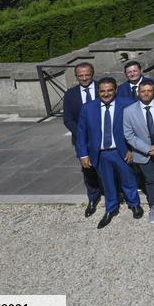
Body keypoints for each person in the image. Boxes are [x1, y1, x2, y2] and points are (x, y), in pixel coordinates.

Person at [75, 77, 143, 228]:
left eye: (109, 90)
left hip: (122, 151)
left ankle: (134, 204)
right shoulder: (88, 108)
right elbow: (81, 133)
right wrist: (83, 155)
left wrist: (133, 149)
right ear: (98, 91)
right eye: (102, 91)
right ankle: (111, 209)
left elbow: (137, 128)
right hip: (100, 153)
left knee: (128, 179)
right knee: (107, 183)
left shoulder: (127, 104)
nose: (106, 94)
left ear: (116, 90)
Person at [122, 82, 154, 223]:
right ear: (138, 92)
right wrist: (148, 149)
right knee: (150, 180)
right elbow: (129, 135)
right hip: (143, 153)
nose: (146, 93)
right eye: (143, 91)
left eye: (149, 90)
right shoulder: (129, 111)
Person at [62, 62, 102, 216]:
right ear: (76, 76)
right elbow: (68, 119)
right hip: (82, 139)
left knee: (109, 167)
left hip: (104, 136)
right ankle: (93, 197)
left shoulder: (103, 88)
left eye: (87, 74)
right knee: (88, 169)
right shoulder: (70, 94)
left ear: (92, 73)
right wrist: (81, 133)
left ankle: (115, 193)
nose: (84, 78)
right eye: (81, 75)